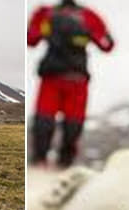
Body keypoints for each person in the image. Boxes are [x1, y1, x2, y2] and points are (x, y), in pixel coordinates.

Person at [28, 0, 114, 168]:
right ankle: (64, 164)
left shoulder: (46, 13)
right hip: (77, 78)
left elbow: (31, 39)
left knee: (44, 120)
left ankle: (40, 162)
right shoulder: (89, 16)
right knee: (73, 123)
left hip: (51, 76)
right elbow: (107, 45)